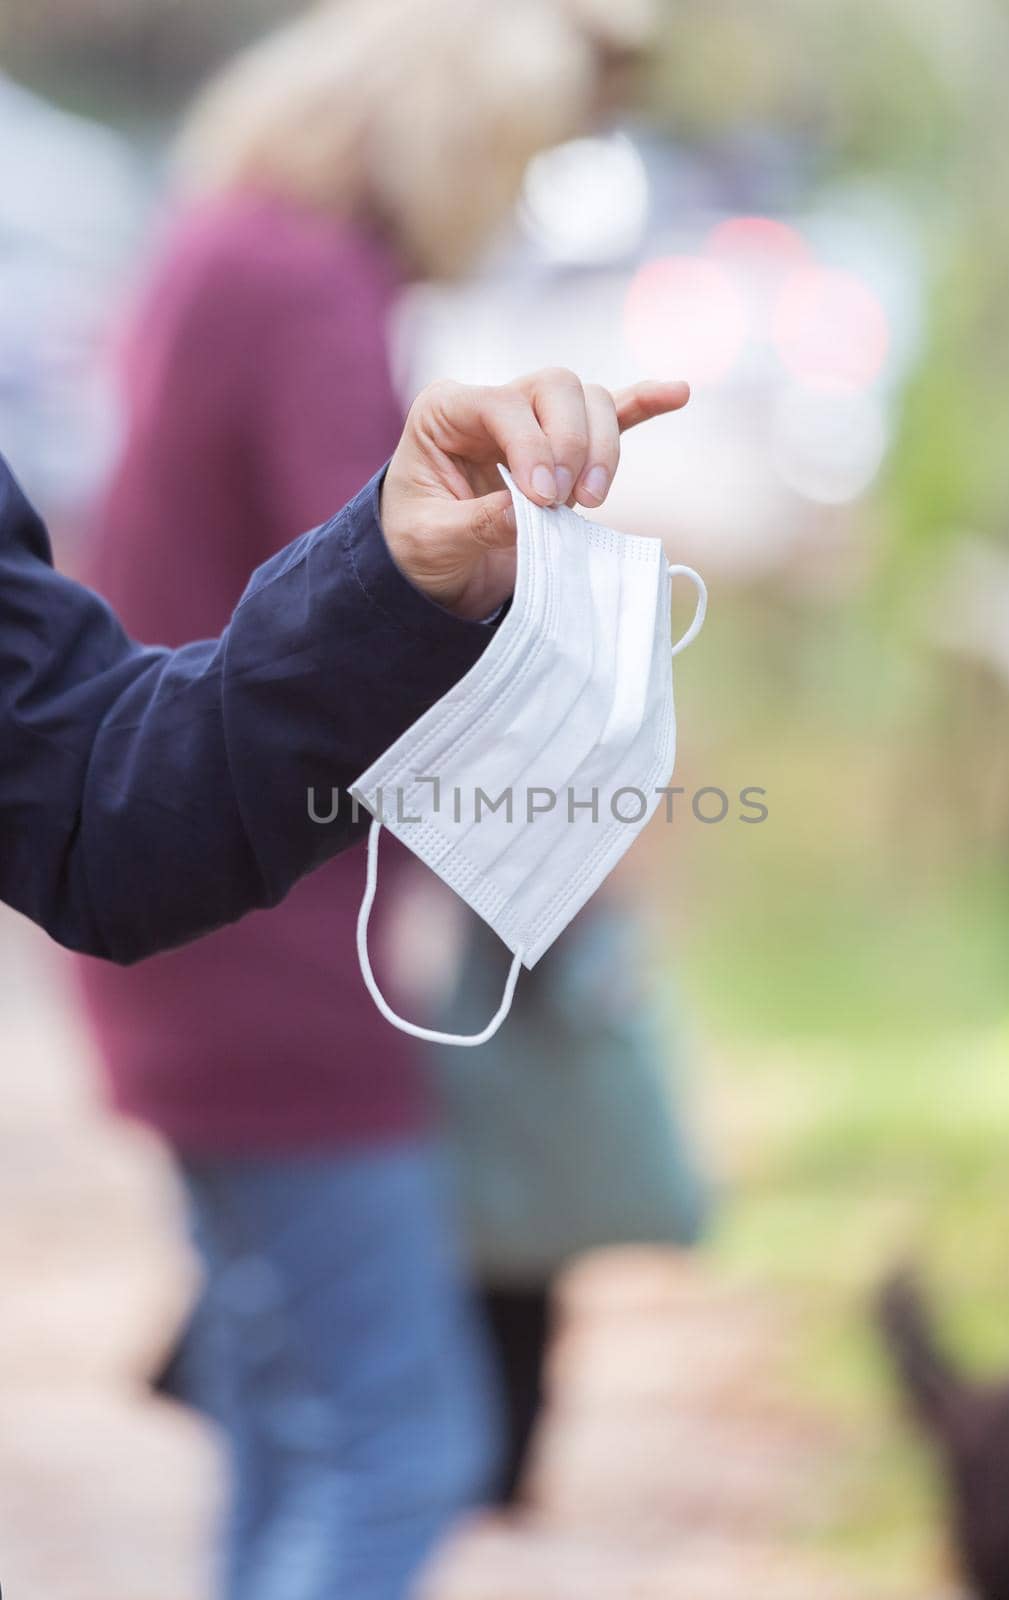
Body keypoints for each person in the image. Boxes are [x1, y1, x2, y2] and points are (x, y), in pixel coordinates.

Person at [65, 6, 689, 1597]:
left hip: (193, 924)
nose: (520, 203)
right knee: (405, 1447)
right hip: (273, 948)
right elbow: (384, 618)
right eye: (524, 166)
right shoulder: (307, 289)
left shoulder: (220, 251)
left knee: (293, 1424)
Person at [1, 364, 685, 964]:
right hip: (296, 971)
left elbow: (83, 794)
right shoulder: (301, 284)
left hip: (287, 923)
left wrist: (402, 579)